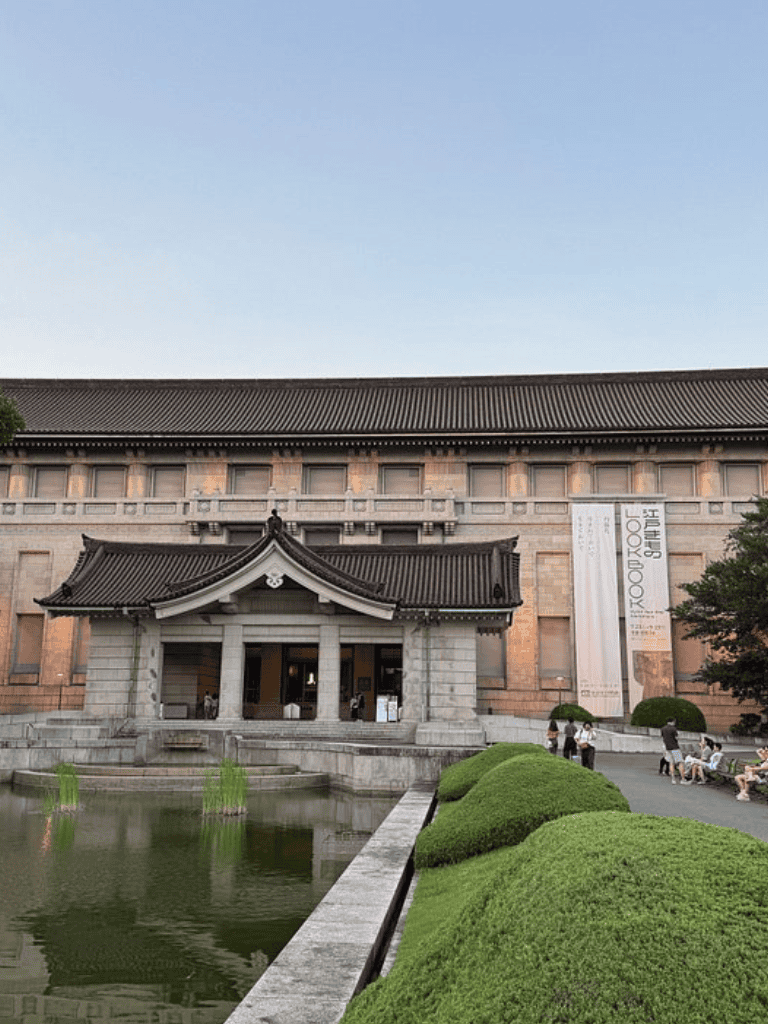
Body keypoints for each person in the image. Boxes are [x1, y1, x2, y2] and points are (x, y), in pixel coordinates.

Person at [660, 717, 688, 785]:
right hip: (675, 748)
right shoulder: (673, 729)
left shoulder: (663, 729)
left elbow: (663, 737)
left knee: (671, 763)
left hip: (668, 748)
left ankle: (673, 779)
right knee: (680, 762)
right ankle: (683, 779)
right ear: (673, 722)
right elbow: (676, 737)